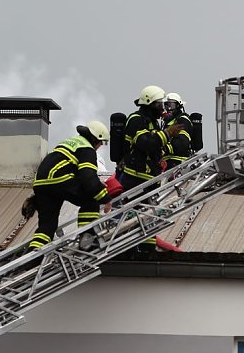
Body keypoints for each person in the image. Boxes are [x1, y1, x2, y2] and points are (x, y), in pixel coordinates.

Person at [22, 121, 123, 252]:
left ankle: (33, 256)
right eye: (101, 142)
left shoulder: (71, 142)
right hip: (60, 179)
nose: (100, 146)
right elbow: (87, 178)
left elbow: (78, 174)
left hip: (41, 183)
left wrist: (96, 183)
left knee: (47, 225)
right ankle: (87, 239)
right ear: (95, 139)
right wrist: (105, 198)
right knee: (91, 199)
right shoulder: (87, 149)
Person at [120, 85, 181, 252]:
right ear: (150, 103)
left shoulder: (153, 122)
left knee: (148, 216)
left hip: (149, 178)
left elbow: (155, 147)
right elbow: (146, 144)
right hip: (135, 178)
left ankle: (147, 251)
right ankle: (129, 250)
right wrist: (167, 133)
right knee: (133, 216)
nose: (163, 107)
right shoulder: (136, 119)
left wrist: (162, 155)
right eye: (159, 103)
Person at [161, 92, 194, 169]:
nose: (168, 109)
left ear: (178, 106)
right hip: (168, 162)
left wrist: (165, 149)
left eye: (171, 105)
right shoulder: (168, 122)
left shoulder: (183, 120)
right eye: (166, 105)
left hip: (178, 163)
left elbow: (182, 143)